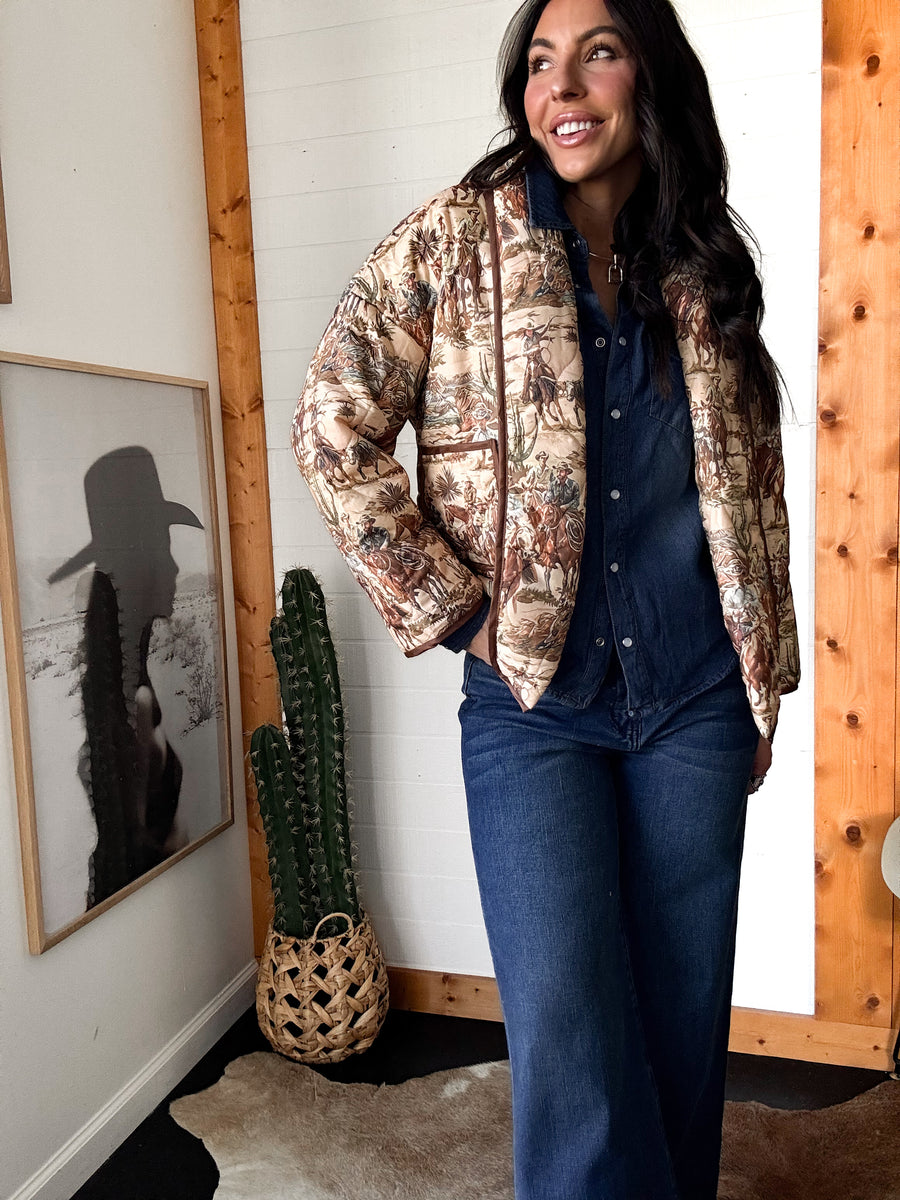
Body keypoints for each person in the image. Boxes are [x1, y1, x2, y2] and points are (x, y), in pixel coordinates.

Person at [292, 0, 800, 1195]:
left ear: (649, 76)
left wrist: (758, 674)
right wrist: (459, 612)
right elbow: (332, 425)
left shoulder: (705, 262)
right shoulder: (453, 241)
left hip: (693, 699)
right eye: (538, 62)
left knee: (680, 1023)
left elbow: (753, 486)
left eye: (597, 53)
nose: (560, 87)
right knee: (570, 1037)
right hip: (533, 708)